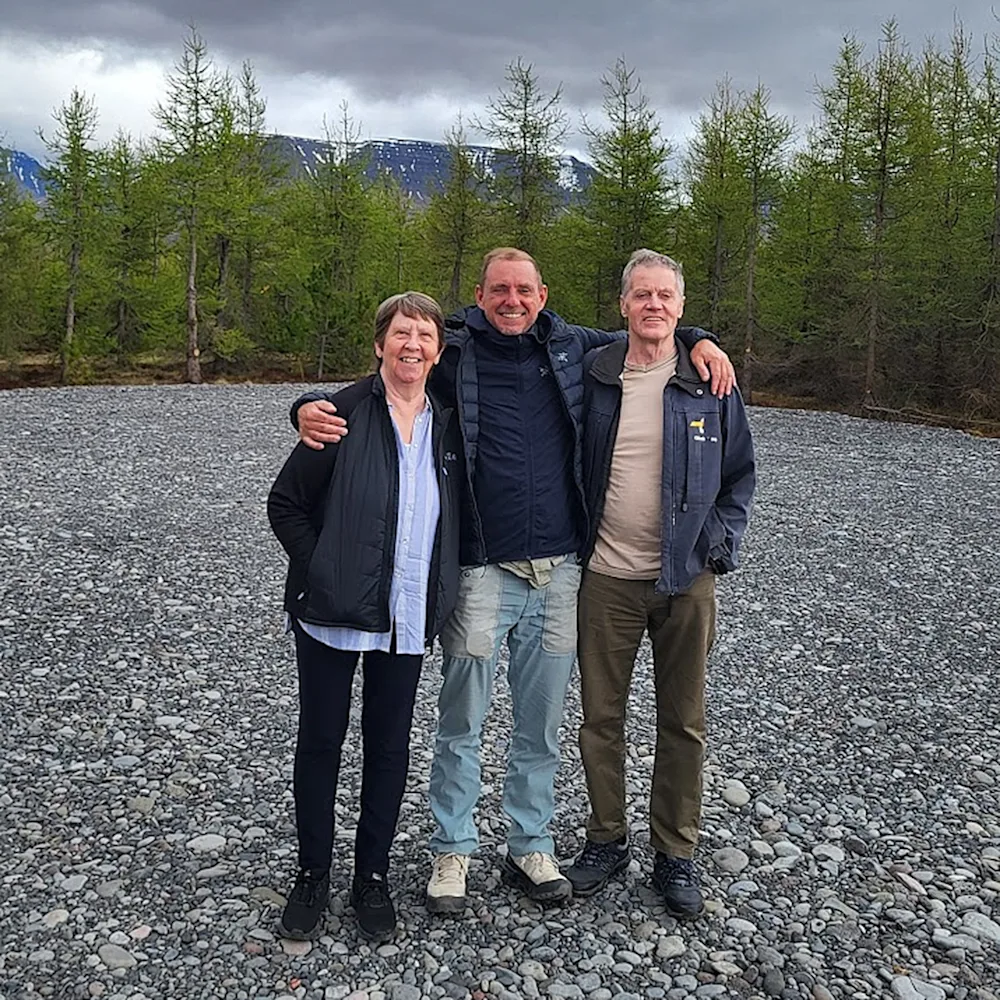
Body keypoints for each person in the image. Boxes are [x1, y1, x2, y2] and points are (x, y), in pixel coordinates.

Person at [291, 248, 737, 912]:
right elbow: (393, 371)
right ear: (480, 295)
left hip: (557, 572)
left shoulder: (571, 348)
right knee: (462, 718)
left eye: (524, 290)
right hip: (479, 568)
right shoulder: (455, 352)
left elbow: (649, 330)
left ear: (542, 295)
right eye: (500, 289)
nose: (512, 300)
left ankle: (530, 842)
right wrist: (307, 405)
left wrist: (700, 339)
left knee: (541, 722)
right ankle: (452, 848)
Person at [564, 249, 756, 918]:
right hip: (606, 580)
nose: (653, 305)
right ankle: (606, 839)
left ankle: (675, 852)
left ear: (680, 306)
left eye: (665, 297)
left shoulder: (710, 383)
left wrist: (719, 549)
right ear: (623, 305)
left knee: (683, 723)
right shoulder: (595, 375)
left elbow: (740, 477)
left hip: (686, 582)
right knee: (601, 720)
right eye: (641, 295)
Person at [267, 291, 462, 942]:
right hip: (330, 614)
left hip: (406, 615)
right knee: (321, 743)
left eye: (424, 335)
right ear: (380, 344)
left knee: (388, 749)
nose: (412, 345)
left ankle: (370, 878)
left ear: (438, 350)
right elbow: (285, 503)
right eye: (401, 333)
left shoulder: (449, 422)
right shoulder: (342, 414)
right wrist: (321, 565)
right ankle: (313, 875)